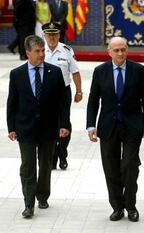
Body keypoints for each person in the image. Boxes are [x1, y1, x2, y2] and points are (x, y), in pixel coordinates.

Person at [86, 36, 144, 222]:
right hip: (108, 127)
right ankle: (117, 207)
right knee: (111, 169)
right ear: (109, 51)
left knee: (129, 167)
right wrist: (91, 125)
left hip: (133, 125)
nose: (120, 53)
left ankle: (131, 206)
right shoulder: (100, 71)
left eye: (123, 49)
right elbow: (93, 101)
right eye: (116, 50)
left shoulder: (138, 70)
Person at [6, 35, 70, 218]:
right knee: (27, 165)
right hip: (25, 127)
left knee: (45, 163)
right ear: (28, 53)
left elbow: (63, 102)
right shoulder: (16, 74)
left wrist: (64, 124)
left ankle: (42, 196)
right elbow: (12, 102)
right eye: (37, 51)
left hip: (48, 128)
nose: (42, 54)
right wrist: (11, 127)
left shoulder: (55, 72)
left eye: (43, 51)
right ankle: (28, 203)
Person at [43, 22, 82, 170]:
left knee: (64, 123)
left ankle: (62, 153)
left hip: (63, 92)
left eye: (54, 34)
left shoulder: (67, 50)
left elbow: (75, 72)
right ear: (44, 36)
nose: (52, 37)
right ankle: (52, 155)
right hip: (44, 93)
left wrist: (79, 91)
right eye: (49, 34)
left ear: (59, 35)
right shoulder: (40, 50)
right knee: (48, 124)